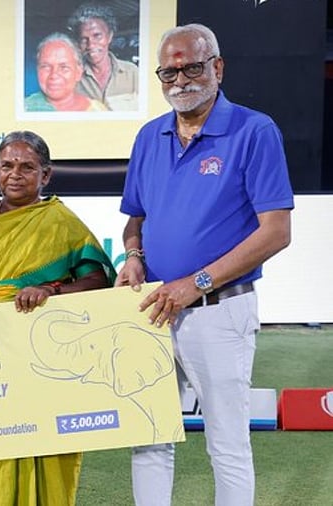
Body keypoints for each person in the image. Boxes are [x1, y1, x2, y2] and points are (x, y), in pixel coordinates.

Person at [116, 24, 294, 506]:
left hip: (219, 310)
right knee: (149, 438)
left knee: (227, 445)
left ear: (217, 67)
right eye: (168, 71)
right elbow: (136, 219)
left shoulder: (253, 130)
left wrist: (194, 284)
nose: (180, 79)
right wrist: (133, 257)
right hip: (154, 309)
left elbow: (276, 231)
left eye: (191, 67)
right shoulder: (149, 136)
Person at [0, 130, 116, 506]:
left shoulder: (62, 221)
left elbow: (98, 280)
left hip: (43, 353)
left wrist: (50, 292)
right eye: (6, 165)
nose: (15, 174)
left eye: (27, 167)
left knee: (46, 443)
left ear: (46, 175)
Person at [68, 3, 139, 111]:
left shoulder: (132, 73)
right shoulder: (70, 78)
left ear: (109, 36)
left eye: (97, 36)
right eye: (84, 39)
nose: (91, 45)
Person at [25, 33, 108, 112]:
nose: (54, 75)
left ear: (78, 72)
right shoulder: (24, 108)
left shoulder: (98, 110)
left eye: (64, 67)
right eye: (46, 66)